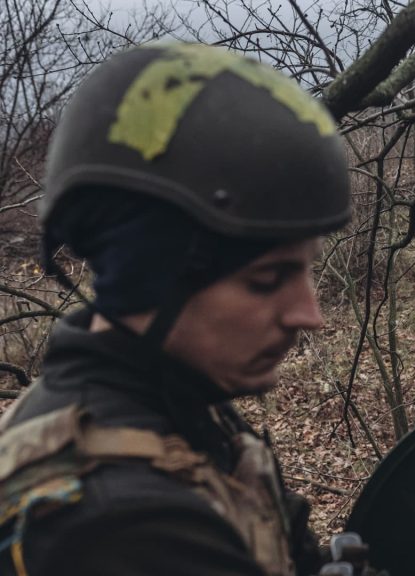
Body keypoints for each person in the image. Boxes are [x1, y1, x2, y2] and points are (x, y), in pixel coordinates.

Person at [0, 43, 354, 576]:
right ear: (151, 279)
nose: (309, 314)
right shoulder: (116, 526)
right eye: (266, 280)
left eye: (306, 270)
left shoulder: (177, 401)